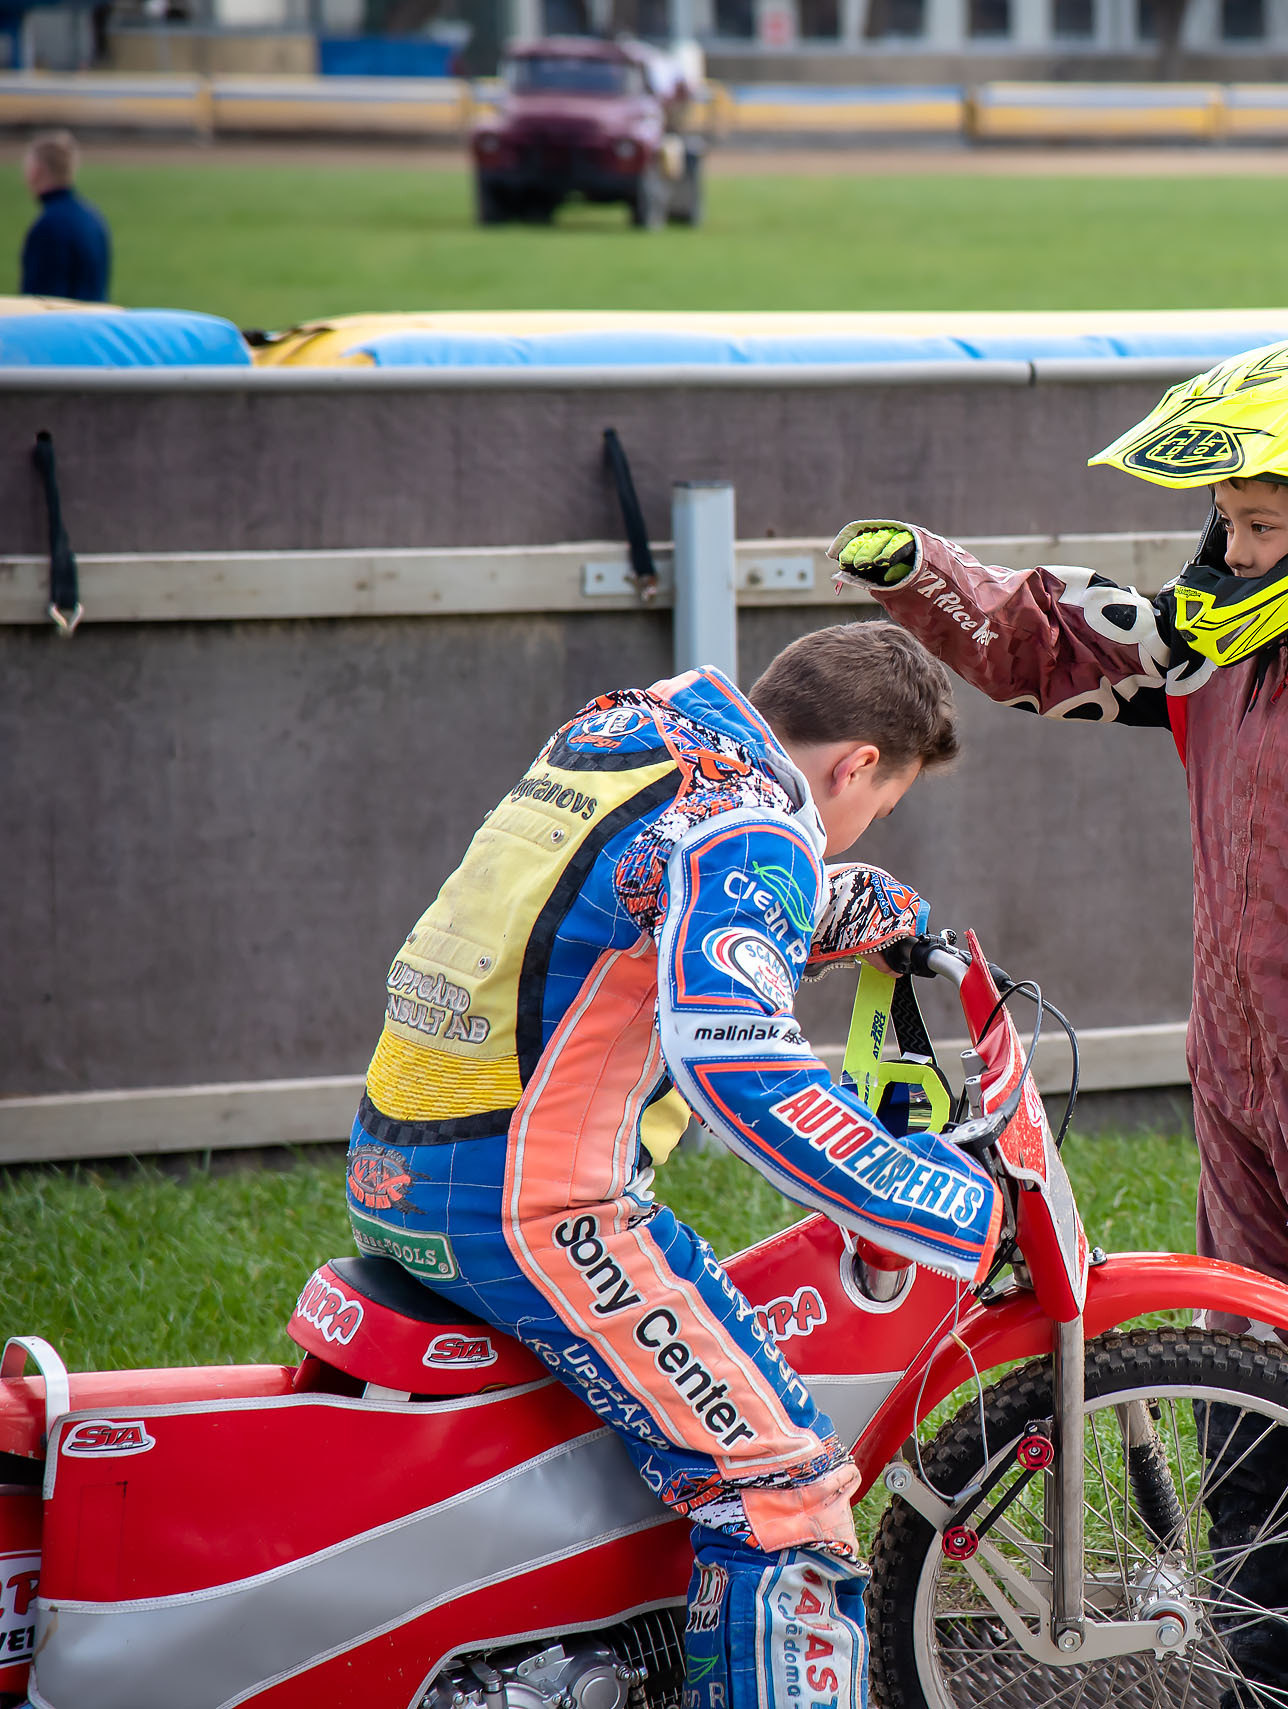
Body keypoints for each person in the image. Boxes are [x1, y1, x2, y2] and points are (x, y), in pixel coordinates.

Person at [831, 333, 1288, 1709]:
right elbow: (1061, 642)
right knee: (1252, 1436)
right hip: (1238, 1105)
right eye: (1224, 516)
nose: (1230, 542)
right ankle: (1284, 1689)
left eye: (1261, 522)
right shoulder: (1234, 644)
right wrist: (927, 580)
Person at [342, 625, 1000, 1709]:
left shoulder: (633, 733)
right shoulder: (750, 827)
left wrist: (859, 904)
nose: (845, 837)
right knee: (785, 1484)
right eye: (873, 812)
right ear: (857, 766)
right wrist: (936, 1198)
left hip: (401, 1165)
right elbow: (740, 1070)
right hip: (536, 1205)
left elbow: (642, 897)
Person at [19, 129, 109, 303]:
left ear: (37, 170)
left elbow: (40, 303)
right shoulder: (92, 217)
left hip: (62, 327)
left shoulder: (48, 226)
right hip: (91, 324)